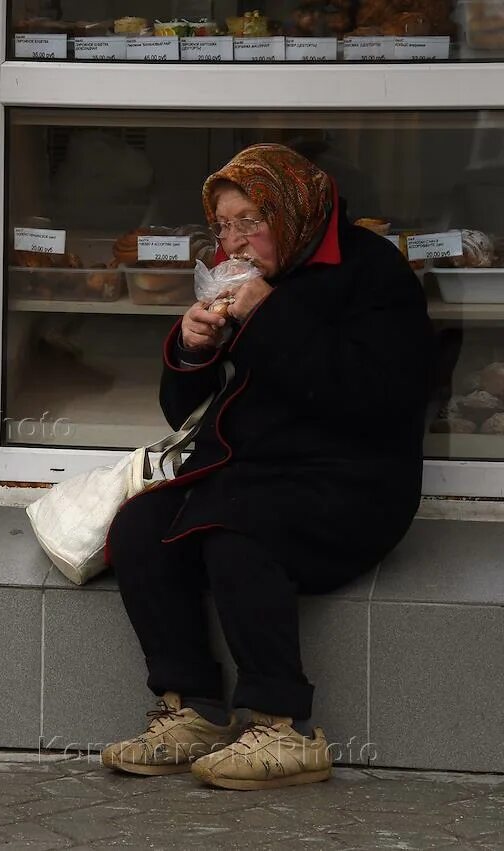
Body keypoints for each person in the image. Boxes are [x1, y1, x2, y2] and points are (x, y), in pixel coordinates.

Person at [99, 144, 435, 790]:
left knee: (237, 531)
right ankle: (192, 707)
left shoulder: (373, 273)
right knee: (142, 526)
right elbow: (183, 409)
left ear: (291, 208)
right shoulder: (239, 279)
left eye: (250, 219)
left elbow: (372, 395)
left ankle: (285, 727)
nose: (235, 241)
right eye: (223, 227)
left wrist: (267, 314)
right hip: (254, 473)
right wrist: (193, 348)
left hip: (354, 480)